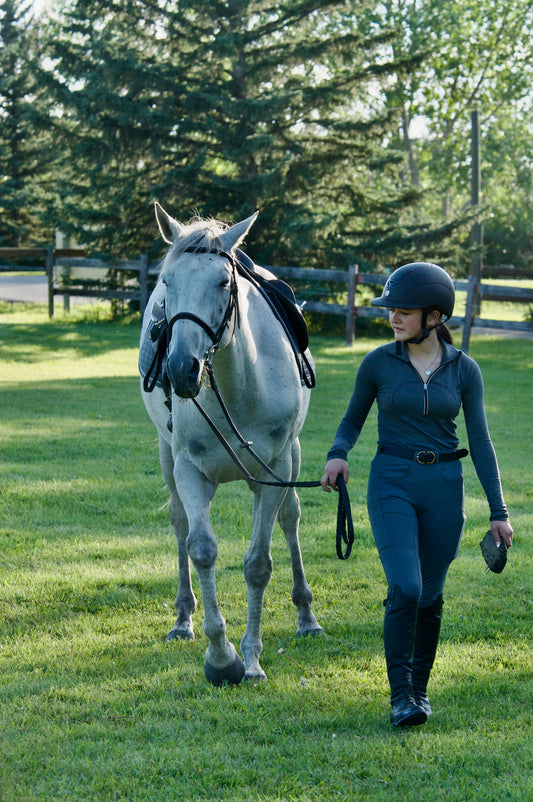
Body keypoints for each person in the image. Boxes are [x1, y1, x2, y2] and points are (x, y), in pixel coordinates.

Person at [320, 262, 513, 727]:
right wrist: (338, 453)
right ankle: (400, 694)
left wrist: (498, 511)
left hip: (446, 487)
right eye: (391, 310)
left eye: (403, 310)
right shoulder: (377, 364)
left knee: (430, 595)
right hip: (392, 481)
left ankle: (419, 692)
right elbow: (351, 420)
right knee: (406, 586)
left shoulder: (465, 370)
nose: (393, 318)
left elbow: (481, 441)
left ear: (434, 316)